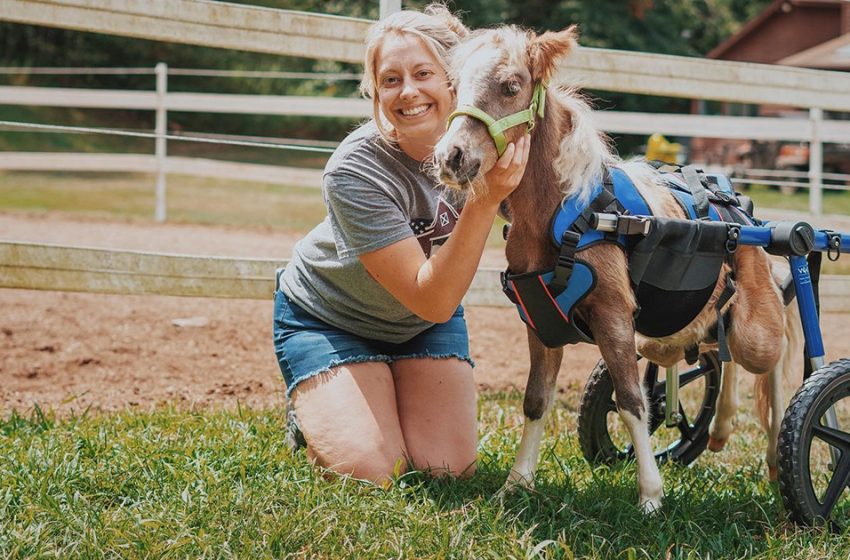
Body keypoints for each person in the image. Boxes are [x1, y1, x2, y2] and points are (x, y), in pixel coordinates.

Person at [273, 4, 530, 485]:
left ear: (455, 80)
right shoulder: (354, 171)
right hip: (331, 318)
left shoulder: (487, 139)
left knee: (448, 471)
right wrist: (484, 200)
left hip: (420, 326)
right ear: (375, 91)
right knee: (373, 472)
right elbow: (431, 297)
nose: (408, 92)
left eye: (423, 73)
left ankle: (379, 391)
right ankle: (315, 410)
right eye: (390, 80)